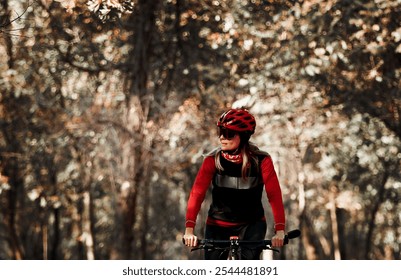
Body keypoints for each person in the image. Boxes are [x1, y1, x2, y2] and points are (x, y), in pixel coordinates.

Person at [182, 108, 286, 260]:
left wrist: (280, 230)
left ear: (243, 136)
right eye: (221, 132)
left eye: (229, 133)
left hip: (251, 226)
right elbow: (197, 194)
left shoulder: (262, 161)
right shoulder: (212, 160)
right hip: (217, 225)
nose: (222, 138)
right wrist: (189, 230)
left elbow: (274, 195)